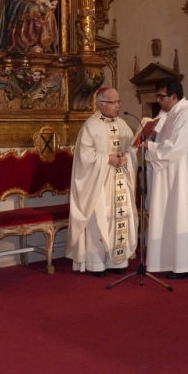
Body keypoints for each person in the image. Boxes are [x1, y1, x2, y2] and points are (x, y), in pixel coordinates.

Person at [145, 78, 188, 279]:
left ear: (174, 96)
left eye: (161, 96)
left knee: (183, 217)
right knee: (174, 217)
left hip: (184, 177)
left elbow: (174, 146)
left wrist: (149, 147)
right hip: (173, 174)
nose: (158, 100)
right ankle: (176, 261)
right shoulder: (171, 115)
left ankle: (186, 265)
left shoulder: (187, 116)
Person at [66, 88, 138, 278]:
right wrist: (107, 159)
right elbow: (84, 156)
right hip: (98, 184)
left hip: (120, 181)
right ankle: (96, 264)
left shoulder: (123, 124)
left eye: (118, 102)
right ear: (101, 104)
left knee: (118, 220)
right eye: (113, 102)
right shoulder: (90, 126)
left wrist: (125, 157)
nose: (117, 106)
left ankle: (118, 262)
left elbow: (132, 148)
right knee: (99, 221)